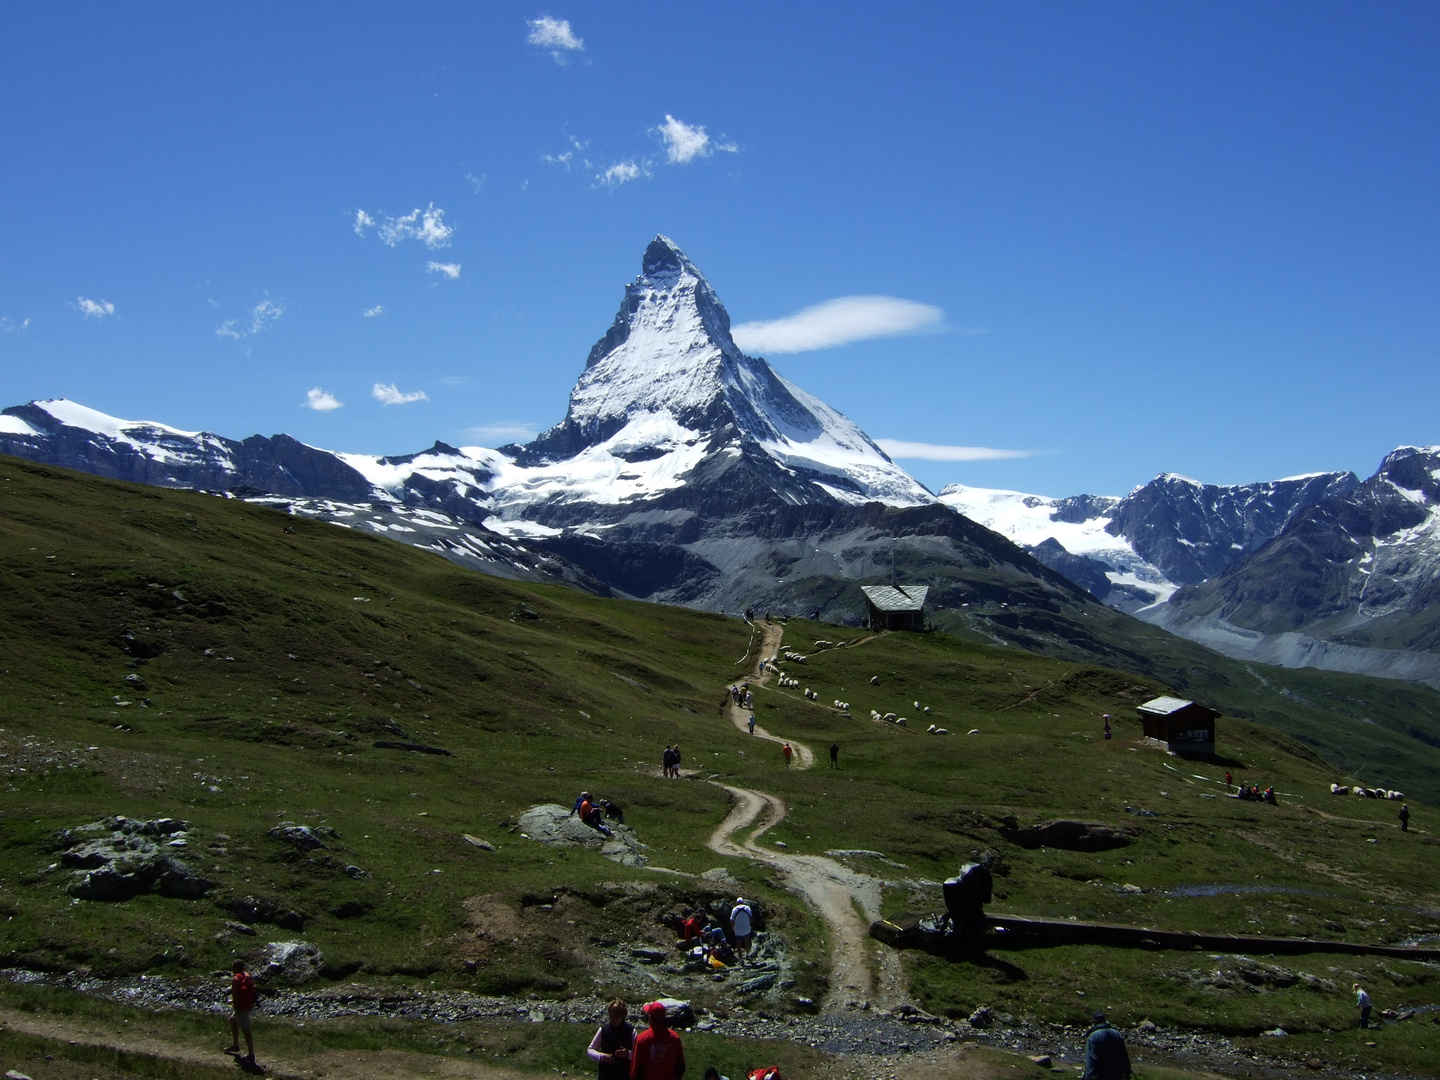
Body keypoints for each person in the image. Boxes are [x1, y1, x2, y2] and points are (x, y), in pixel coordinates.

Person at [632, 1000, 686, 1080]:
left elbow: (635, 1070)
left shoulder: (642, 1039)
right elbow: (681, 1068)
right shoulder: (674, 1038)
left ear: (650, 1018)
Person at [588, 999, 636, 1080]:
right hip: (606, 1074)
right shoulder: (603, 1030)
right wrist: (602, 1057)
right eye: (611, 1016)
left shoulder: (631, 1031)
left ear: (622, 1016)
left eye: (616, 1017)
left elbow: (639, 1054)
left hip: (624, 1075)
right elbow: (590, 1050)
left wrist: (628, 1053)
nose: (613, 1020)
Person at [222, 960, 257, 1064]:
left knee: (246, 1029)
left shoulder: (236, 978)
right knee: (232, 1020)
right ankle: (235, 1045)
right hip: (248, 1004)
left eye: (233, 967)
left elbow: (236, 994)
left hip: (241, 1007)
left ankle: (251, 1054)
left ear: (236, 968)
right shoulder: (246, 975)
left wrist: (235, 1006)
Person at [1081, 1010, 1130, 1080]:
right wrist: (1127, 1072)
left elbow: (1092, 1061)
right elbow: (1124, 1056)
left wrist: (1089, 1077)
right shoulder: (1117, 1034)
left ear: (1094, 1022)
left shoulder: (1093, 1037)